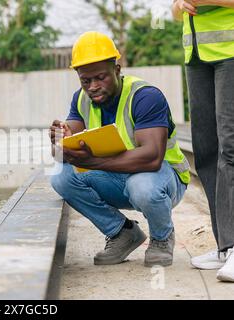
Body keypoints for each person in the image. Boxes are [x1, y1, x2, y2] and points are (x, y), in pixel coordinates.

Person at [50, 31, 191, 267]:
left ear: (117, 70)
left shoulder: (145, 96)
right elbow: (64, 156)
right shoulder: (81, 99)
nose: (93, 87)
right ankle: (122, 233)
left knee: (142, 185)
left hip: (164, 179)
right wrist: (57, 142)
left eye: (101, 77)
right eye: (86, 80)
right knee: (60, 177)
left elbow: (152, 159)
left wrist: (92, 162)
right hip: (119, 176)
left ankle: (161, 237)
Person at [172, 0, 234, 281]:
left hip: (230, 54)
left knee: (230, 148)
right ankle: (224, 245)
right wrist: (180, 4)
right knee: (206, 149)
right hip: (196, 57)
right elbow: (175, 12)